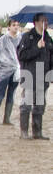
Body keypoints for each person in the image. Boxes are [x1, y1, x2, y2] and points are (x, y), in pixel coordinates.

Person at [17, 12, 53, 140]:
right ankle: (24, 132)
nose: (46, 23)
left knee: (40, 106)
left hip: (43, 76)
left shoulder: (48, 38)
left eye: (47, 20)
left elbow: (51, 57)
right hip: (30, 74)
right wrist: (37, 47)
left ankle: (37, 132)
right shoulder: (27, 37)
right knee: (26, 105)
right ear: (36, 22)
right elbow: (22, 55)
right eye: (43, 20)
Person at [0, 20, 21, 126]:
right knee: (0, 94)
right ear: (8, 27)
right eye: (13, 25)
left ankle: (7, 119)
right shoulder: (3, 40)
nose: (16, 27)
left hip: (16, 71)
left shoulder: (20, 39)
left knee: (11, 95)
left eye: (17, 25)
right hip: (3, 71)